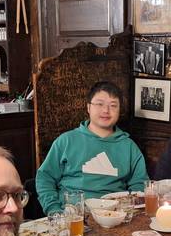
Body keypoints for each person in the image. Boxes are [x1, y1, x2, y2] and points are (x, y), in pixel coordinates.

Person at [35, 81, 148, 214]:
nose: (106, 110)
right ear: (88, 107)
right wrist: (53, 209)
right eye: (100, 104)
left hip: (115, 214)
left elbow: (139, 185)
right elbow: (45, 178)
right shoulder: (66, 141)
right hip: (72, 214)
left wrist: (130, 209)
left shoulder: (129, 146)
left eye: (113, 105)